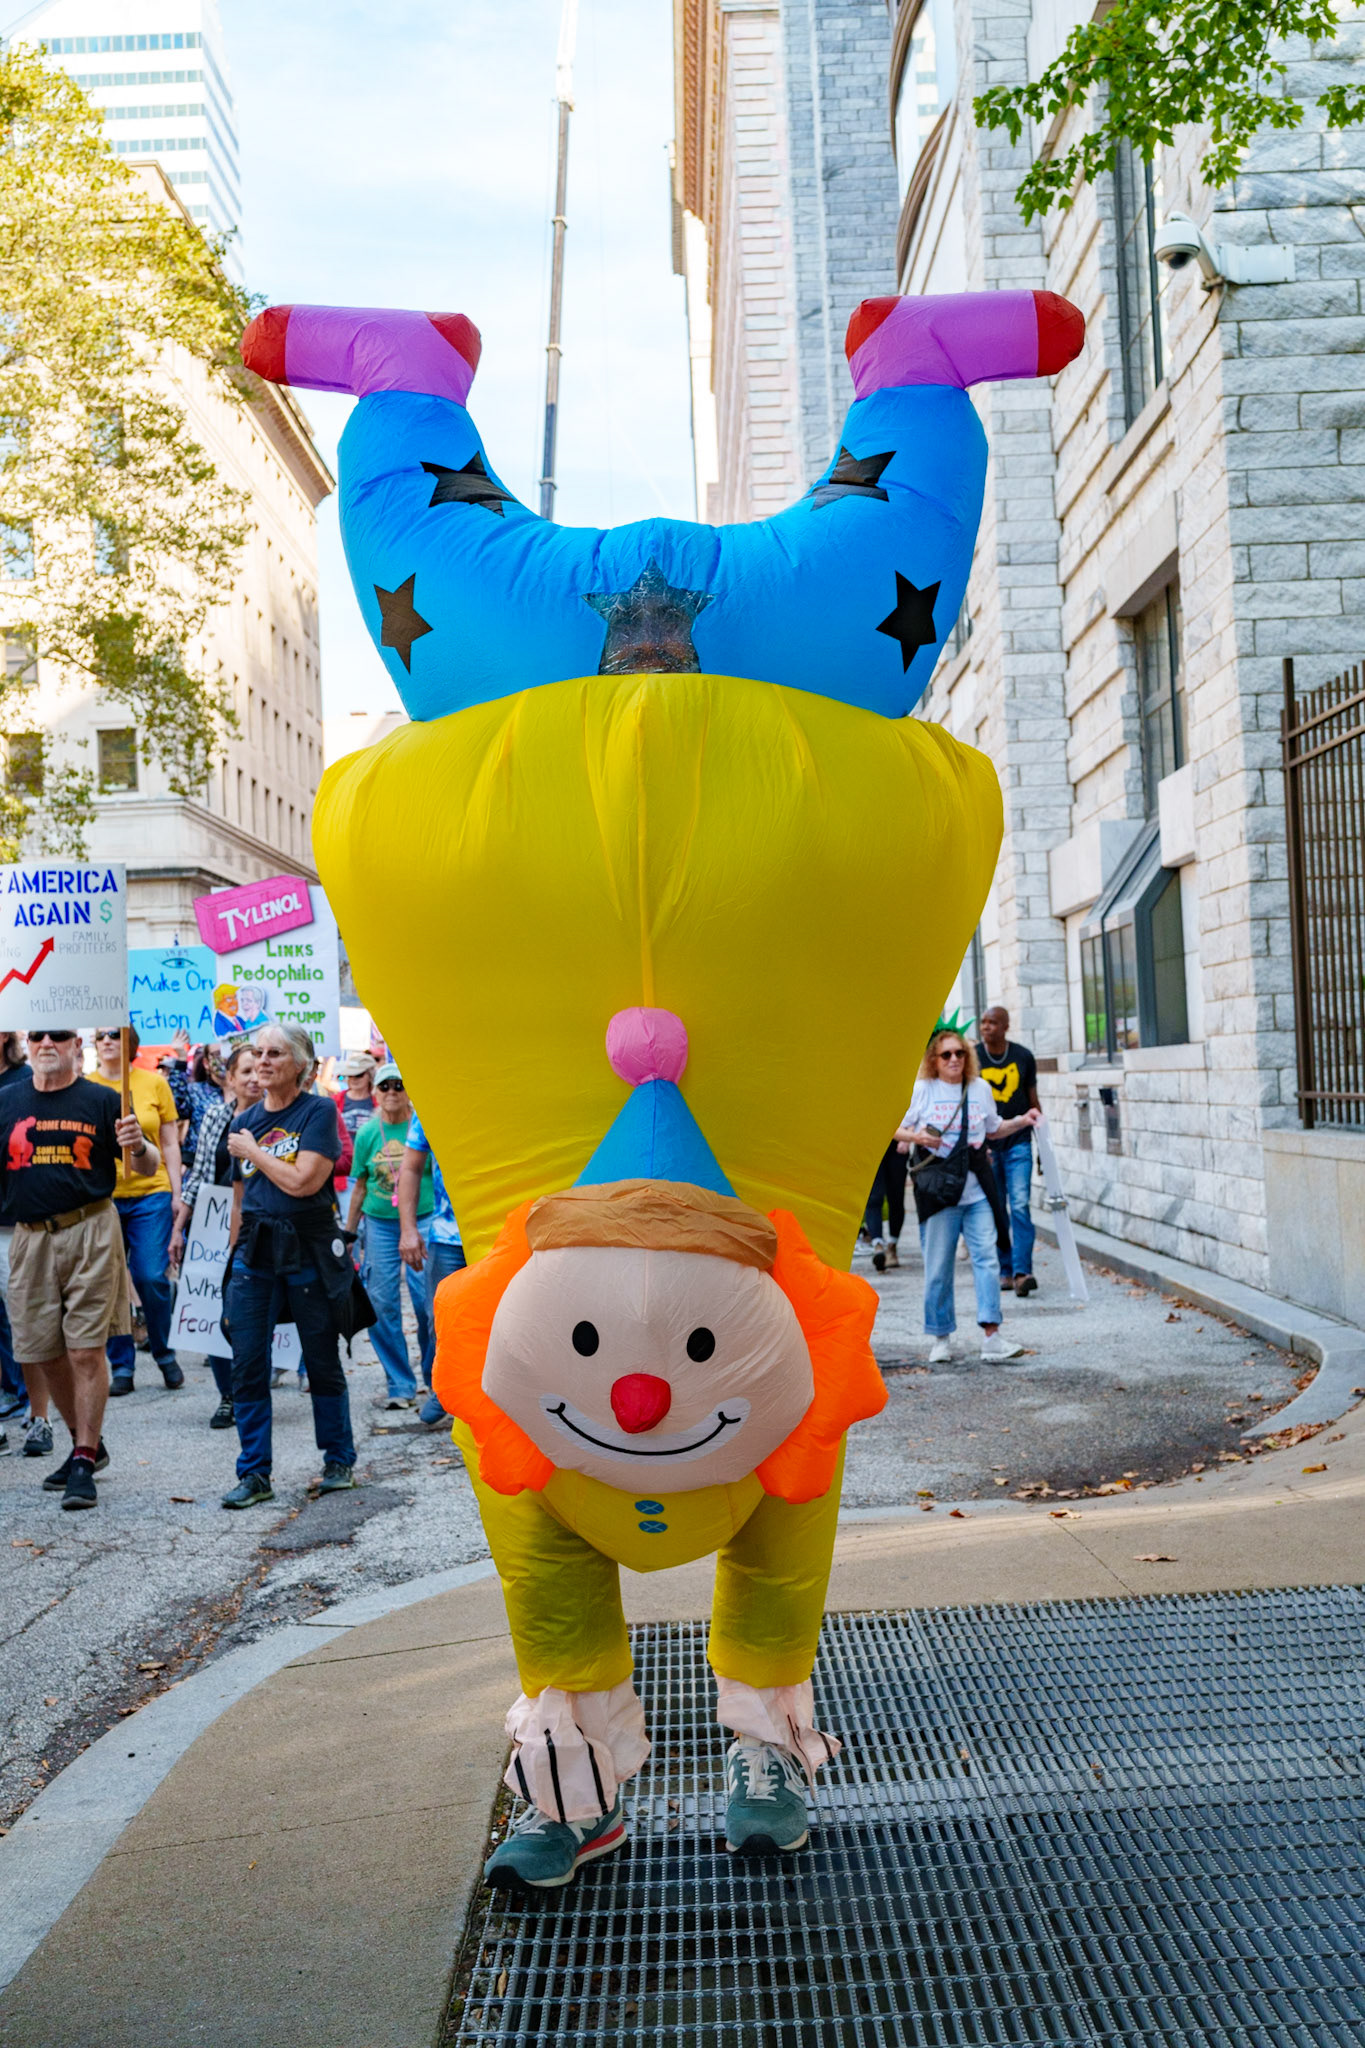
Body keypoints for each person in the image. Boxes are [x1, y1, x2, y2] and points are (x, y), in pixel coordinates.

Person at [0, 1026, 152, 1508]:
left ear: (75, 1046)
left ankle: (83, 1458)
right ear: (28, 1043)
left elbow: (146, 1167)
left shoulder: (103, 1100)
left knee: (85, 1350)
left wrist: (138, 1145)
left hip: (90, 1230)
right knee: (42, 1350)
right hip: (29, 1237)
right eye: (38, 1035)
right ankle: (84, 1441)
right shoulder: (6, 1101)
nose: (47, 1043)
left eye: (59, 1036)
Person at [221, 1021, 356, 1509]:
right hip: (256, 1250)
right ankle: (254, 1473)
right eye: (258, 1053)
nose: (262, 1061)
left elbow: (303, 1182)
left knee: (320, 1357)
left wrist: (255, 1151)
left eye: (274, 1053)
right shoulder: (244, 1121)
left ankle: (338, 1460)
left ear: (300, 1065)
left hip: (308, 1246)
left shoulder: (318, 1111)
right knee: (247, 1364)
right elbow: (241, 1199)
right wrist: (231, 1260)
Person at [897, 1027, 1040, 1364]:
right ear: (934, 1059)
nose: (954, 1060)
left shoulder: (979, 1089)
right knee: (938, 1268)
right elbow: (893, 1129)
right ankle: (940, 1338)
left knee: (987, 1260)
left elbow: (993, 1128)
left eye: (960, 1053)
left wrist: (1023, 1120)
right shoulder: (923, 1089)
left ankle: (992, 1336)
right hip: (938, 1192)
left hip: (976, 1191)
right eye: (946, 1054)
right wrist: (918, 1138)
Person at [169, 1040, 263, 1430]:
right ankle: (229, 1396)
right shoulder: (214, 1118)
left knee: (253, 1313)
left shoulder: (279, 1117)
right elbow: (201, 1176)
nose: (254, 1079)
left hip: (262, 1223)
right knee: (217, 1314)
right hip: (215, 1223)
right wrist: (179, 1229)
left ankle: (253, 1391)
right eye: (246, 1072)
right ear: (230, 1078)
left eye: (259, 1070)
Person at [92, 1025, 184, 1394]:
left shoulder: (154, 1084)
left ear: (130, 1042)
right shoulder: (86, 1086)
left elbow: (170, 1142)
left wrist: (177, 1193)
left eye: (114, 1034)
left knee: (150, 1275)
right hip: (104, 1197)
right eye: (100, 1036)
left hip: (151, 1193)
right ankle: (122, 1365)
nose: (107, 1040)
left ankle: (164, 1352)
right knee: (111, 1282)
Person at [345, 1062, 433, 1408]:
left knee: (428, 1304)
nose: (392, 1092)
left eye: (399, 1085)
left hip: (423, 1219)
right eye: (385, 1086)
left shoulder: (422, 1126)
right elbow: (359, 1186)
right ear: (375, 1092)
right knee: (381, 1304)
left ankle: (436, 1383)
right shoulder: (368, 1133)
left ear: (409, 1091)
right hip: (379, 1224)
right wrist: (349, 1234)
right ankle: (400, 1385)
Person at [397, 1110, 464, 1426]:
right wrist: (408, 1229)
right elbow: (411, 1167)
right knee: (441, 1317)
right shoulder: (432, 1102)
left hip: (502, 1229)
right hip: (448, 1236)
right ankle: (445, 1390)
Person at [975, 1004, 1041, 1298]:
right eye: (983, 1022)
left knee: (1020, 1205)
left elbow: (1033, 1100)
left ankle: (1022, 1272)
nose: (985, 1027)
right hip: (988, 1147)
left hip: (1019, 1142)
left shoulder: (1023, 1056)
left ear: (1005, 1026)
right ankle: (1004, 1269)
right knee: (997, 1208)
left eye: (992, 1022)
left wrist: (1042, 1145)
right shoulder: (973, 1057)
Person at [0, 1031, 32, 1429]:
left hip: (11, 1218)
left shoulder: (25, 1080)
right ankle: (8, 1388)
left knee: (18, 1310)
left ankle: (29, 1398)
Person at [860, 1139, 908, 1273]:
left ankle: (891, 1245)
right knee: (874, 1197)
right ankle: (878, 1245)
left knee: (896, 1197)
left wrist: (908, 1137)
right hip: (872, 1143)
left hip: (897, 1145)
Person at [334, 1052, 377, 1143]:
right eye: (350, 1075)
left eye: (358, 1075)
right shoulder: (335, 1100)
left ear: (370, 1075)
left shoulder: (379, 1101)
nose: (353, 1079)